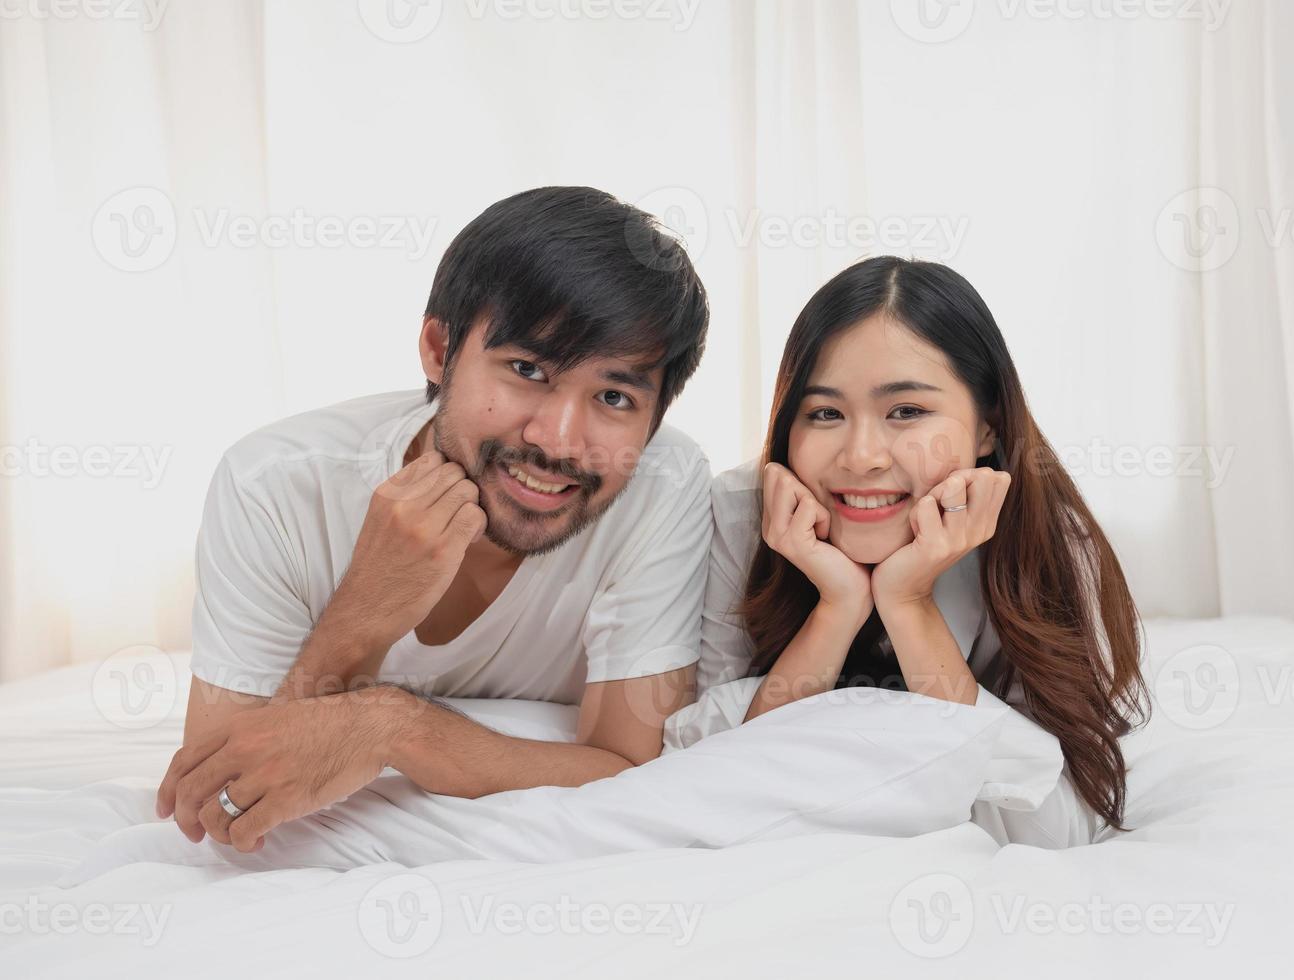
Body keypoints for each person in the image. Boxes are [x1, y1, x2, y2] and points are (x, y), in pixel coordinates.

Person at [154, 186, 713, 854]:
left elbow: (628, 767)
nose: (561, 440)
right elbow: (219, 798)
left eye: (614, 395)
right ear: (437, 347)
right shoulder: (274, 483)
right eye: (527, 368)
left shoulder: (665, 483)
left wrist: (393, 726)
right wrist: (366, 610)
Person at [684, 255, 1150, 844]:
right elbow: (705, 779)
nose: (862, 456)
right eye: (825, 412)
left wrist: (909, 603)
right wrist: (837, 607)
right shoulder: (740, 512)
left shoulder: (1049, 539)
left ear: (987, 425)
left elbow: (1049, 825)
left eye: (907, 411)